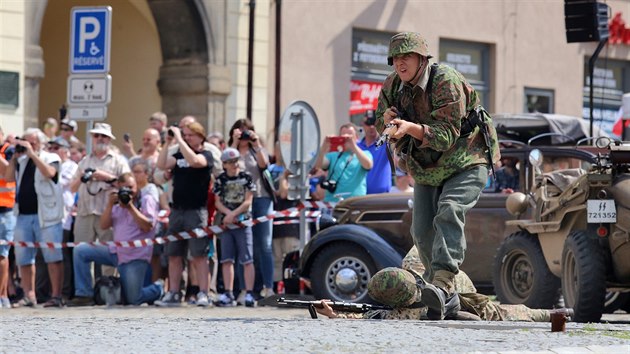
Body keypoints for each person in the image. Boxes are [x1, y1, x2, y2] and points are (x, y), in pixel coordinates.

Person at [376, 32, 500, 320]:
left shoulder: (445, 80)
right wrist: (386, 120)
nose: (400, 63)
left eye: (406, 57)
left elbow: (445, 136)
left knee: (450, 211)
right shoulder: (393, 85)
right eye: (395, 58)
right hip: (427, 165)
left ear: (422, 59)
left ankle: (442, 284)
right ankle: (443, 296)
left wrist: (408, 128)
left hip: (467, 159)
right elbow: (379, 113)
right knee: (420, 229)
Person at [70, 173, 162, 306]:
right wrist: (109, 205)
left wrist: (130, 207)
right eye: (124, 188)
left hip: (135, 257)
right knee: (80, 250)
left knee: (133, 299)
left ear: (137, 185)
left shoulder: (146, 200)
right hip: (116, 252)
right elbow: (104, 225)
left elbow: (148, 226)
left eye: (131, 187)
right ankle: (84, 294)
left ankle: (158, 288)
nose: (128, 191)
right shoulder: (117, 204)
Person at [155, 121, 214, 307]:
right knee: (174, 254)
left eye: (190, 135)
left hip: (196, 211)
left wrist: (179, 139)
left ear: (200, 136)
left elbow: (195, 162)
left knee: (199, 254)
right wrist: (167, 142)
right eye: (185, 135)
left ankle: (203, 292)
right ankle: (173, 292)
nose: (187, 138)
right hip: (177, 210)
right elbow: (162, 164)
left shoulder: (206, 155)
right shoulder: (179, 154)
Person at [5, 128, 65, 308]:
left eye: (32, 142)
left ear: (41, 143)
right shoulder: (21, 161)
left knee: (53, 256)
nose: (28, 145)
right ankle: (29, 295)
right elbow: (7, 178)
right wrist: (15, 158)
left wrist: (32, 154)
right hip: (23, 215)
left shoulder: (51, 157)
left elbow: (50, 173)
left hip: (47, 216)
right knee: (24, 258)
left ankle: (56, 296)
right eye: (26, 142)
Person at [69, 123, 130, 284]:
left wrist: (105, 176)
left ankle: (109, 288)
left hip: (108, 214)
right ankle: (84, 292)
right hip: (85, 212)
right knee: (80, 252)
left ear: (109, 139)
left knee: (109, 252)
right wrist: (83, 177)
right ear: (92, 138)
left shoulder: (118, 161)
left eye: (103, 136)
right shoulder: (84, 161)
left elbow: (128, 184)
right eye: (96, 136)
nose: (100, 139)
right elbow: (72, 188)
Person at [228, 118, 275, 298]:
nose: (244, 134)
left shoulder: (257, 149)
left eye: (247, 131)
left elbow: (264, 164)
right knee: (244, 247)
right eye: (241, 131)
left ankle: (268, 287)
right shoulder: (233, 151)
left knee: (265, 244)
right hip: (239, 202)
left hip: (261, 198)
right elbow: (227, 165)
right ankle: (245, 289)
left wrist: (256, 143)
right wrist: (234, 141)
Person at [213, 148, 257, 307]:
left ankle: (249, 293)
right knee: (227, 259)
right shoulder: (220, 180)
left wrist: (233, 214)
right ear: (224, 164)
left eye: (236, 161)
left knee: (247, 259)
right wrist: (228, 214)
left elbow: (248, 201)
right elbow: (217, 201)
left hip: (243, 222)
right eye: (230, 162)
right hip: (227, 224)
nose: (234, 165)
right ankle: (228, 293)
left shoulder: (246, 177)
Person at [48, 137, 78, 300]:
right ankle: (46, 291)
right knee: (47, 255)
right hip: (47, 215)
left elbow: (57, 183)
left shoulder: (71, 166)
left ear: (65, 150)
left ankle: (65, 292)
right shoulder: (48, 164)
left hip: (63, 216)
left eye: (56, 147)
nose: (52, 150)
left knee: (64, 256)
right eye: (50, 147)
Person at [314, 123, 373, 203]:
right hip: (333, 201)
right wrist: (324, 147)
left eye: (350, 136)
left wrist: (353, 146)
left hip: (356, 202)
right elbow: (318, 165)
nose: (346, 139)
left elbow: (368, 165)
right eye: (343, 136)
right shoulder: (332, 155)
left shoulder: (365, 153)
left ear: (356, 137)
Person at [0, 126, 16, 308]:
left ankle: (3, 295)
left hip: (5, 209)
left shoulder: (8, 150)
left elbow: (8, 173)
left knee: (2, 255)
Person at [358, 110, 391, 194]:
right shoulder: (357, 147)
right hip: (360, 197)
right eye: (368, 123)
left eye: (374, 123)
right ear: (363, 124)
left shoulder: (386, 144)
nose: (372, 126)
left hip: (381, 197)